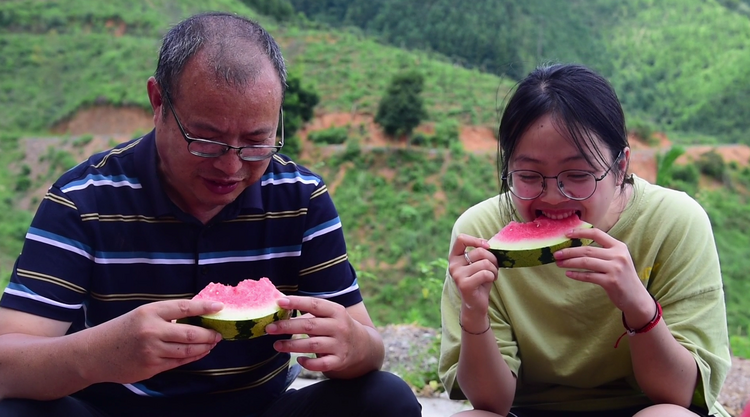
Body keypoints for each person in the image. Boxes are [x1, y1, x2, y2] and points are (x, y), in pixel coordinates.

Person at [0, 12, 421, 417]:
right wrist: (102, 354)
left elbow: (369, 344)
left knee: (386, 398)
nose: (231, 166)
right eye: (206, 139)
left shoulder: (301, 197)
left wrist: (353, 346)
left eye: (257, 142)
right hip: (109, 410)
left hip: (261, 410)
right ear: (158, 100)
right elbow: (7, 363)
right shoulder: (84, 199)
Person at [439, 63, 731, 417]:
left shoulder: (675, 222)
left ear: (620, 166)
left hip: (645, 408)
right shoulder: (481, 232)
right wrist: (474, 311)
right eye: (529, 175)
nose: (552, 196)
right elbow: (491, 402)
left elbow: (677, 396)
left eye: (577, 175)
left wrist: (639, 307)